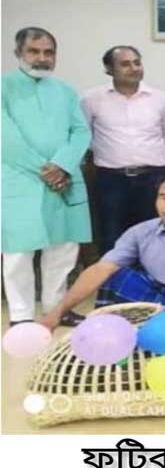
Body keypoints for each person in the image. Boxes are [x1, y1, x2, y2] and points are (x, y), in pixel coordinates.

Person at [40, 174, 165, 360]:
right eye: (163, 198)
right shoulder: (139, 232)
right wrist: (58, 312)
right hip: (153, 300)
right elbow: (100, 269)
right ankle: (114, 339)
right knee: (115, 274)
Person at [2, 27, 91, 328]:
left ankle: (57, 309)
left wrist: (63, 166)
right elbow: (6, 138)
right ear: (18, 53)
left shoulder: (65, 91)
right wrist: (47, 170)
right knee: (18, 251)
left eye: (48, 52)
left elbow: (80, 132)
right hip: (20, 180)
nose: (42, 58)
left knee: (63, 248)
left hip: (64, 180)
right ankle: (21, 316)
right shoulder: (4, 86)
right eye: (34, 51)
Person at [81, 45, 165, 254]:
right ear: (109, 69)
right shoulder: (91, 99)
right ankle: (115, 276)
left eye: (137, 63)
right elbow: (85, 137)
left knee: (156, 236)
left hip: (153, 178)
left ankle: (152, 276)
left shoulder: (160, 99)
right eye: (125, 64)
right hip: (111, 179)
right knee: (112, 236)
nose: (134, 68)